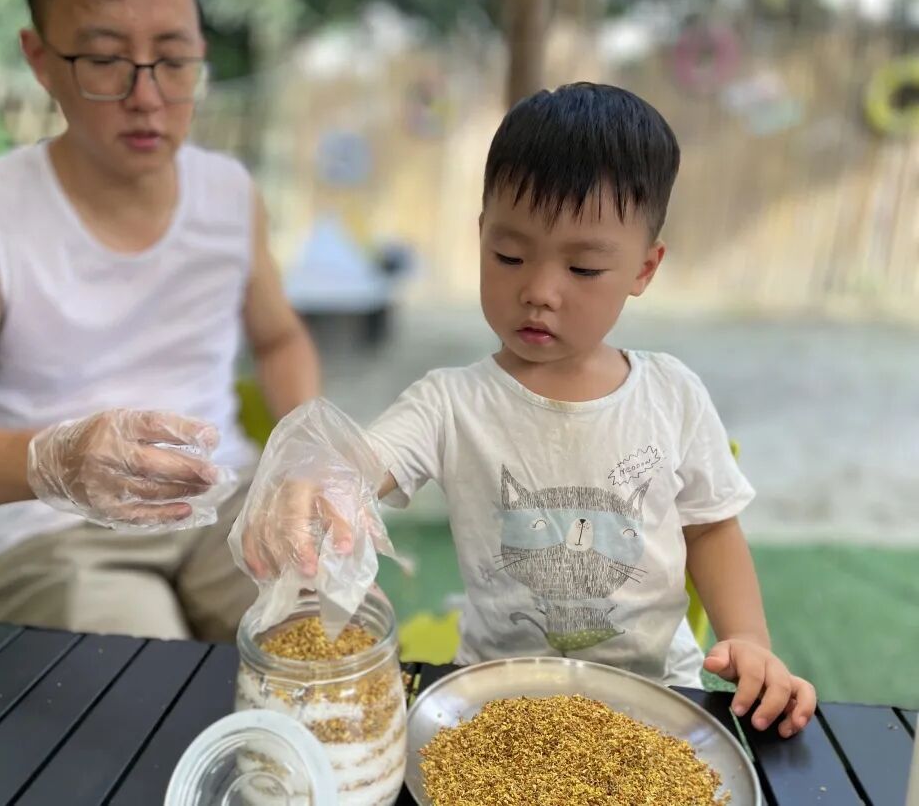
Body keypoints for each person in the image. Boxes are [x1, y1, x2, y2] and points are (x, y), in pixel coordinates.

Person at [244, 83, 816, 737]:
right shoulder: (450, 403)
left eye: (584, 268)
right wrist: (319, 480)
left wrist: (749, 639)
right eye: (509, 256)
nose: (539, 291)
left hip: (655, 696)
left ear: (644, 268)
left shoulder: (672, 395)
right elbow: (361, 462)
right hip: (496, 696)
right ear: (481, 236)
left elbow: (710, 529)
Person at [0, 0, 319, 642]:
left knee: (328, 650)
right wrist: (56, 461)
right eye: (105, 60)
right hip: (56, 528)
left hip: (223, 498)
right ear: (41, 61)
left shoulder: (229, 192)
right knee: (141, 683)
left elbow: (279, 340)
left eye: (174, 61)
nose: (146, 97)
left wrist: (307, 448)